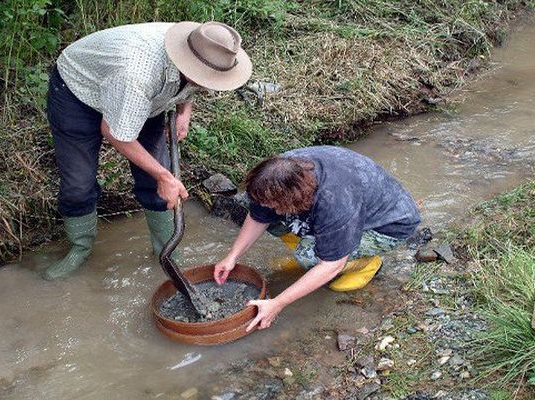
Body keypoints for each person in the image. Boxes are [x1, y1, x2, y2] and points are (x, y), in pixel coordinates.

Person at [44, 21, 252, 280]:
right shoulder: (137, 74)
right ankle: (80, 247)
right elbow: (115, 133)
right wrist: (165, 176)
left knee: (156, 180)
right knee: (78, 183)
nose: (209, 83)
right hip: (79, 92)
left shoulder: (208, 45)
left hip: (145, 99)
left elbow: (195, 81)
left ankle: (166, 251)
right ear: (188, 62)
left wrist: (183, 111)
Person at [213, 146, 421, 331]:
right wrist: (232, 256)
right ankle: (321, 247)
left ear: (295, 200)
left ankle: (367, 264)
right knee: (273, 222)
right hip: (347, 201)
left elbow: (330, 265)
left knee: (310, 258)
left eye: (276, 205)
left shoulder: (335, 203)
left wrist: (277, 303)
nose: (269, 208)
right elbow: (258, 216)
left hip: (388, 225)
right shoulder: (275, 175)